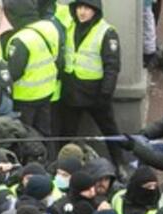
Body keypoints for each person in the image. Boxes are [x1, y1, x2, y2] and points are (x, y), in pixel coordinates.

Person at [60, 0, 124, 171]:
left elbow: (112, 66)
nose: (82, 12)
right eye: (79, 7)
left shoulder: (106, 32)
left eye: (87, 8)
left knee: (110, 130)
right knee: (67, 133)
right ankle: (66, 168)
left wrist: (106, 94)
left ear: (95, 10)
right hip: (72, 90)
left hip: (95, 93)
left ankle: (120, 164)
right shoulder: (69, 27)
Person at [4, 0, 60, 135]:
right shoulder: (49, 27)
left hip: (25, 97)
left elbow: (14, 72)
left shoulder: (20, 39)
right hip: (47, 92)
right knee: (44, 133)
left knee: (24, 135)